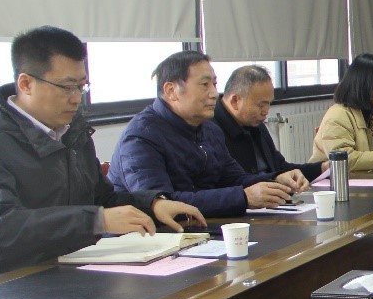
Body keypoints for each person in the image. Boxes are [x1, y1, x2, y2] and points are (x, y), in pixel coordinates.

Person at [0, 27, 204, 276]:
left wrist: (152, 205)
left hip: (75, 268)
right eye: (67, 87)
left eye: (82, 87)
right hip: (10, 283)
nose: (77, 99)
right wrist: (96, 220)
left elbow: (101, 199)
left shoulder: (72, 130)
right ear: (26, 84)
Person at [108, 51, 304, 217]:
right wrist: (244, 197)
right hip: (152, 239)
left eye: (215, 84)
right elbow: (163, 204)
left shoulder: (209, 129)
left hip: (204, 228)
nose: (214, 94)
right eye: (204, 85)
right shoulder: (141, 137)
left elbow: (234, 178)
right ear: (171, 90)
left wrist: (275, 180)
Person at [214, 65, 325, 182]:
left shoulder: (255, 124)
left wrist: (321, 169)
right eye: (261, 105)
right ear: (235, 101)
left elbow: (280, 168)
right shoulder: (212, 131)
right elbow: (232, 183)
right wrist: (274, 179)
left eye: (269, 104)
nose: (266, 111)